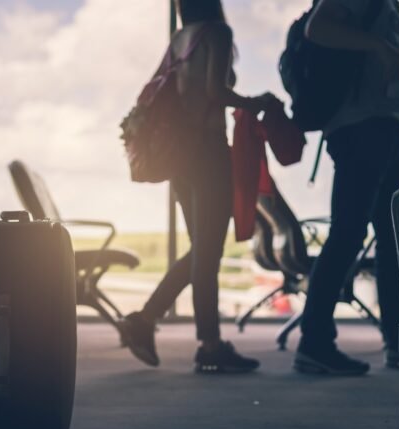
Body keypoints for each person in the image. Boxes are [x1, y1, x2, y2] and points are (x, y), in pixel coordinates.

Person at [119, 0, 279, 374]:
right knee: (207, 255)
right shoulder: (217, 34)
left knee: (200, 252)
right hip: (208, 152)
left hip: (180, 157)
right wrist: (257, 101)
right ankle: (209, 345)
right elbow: (215, 92)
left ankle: (144, 320)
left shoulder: (180, 39)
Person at [294, 0, 399, 376]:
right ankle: (314, 342)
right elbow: (318, 27)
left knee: (393, 239)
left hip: (385, 127)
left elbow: (382, 81)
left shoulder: (390, 6)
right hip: (361, 130)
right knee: (349, 232)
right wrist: (380, 46)